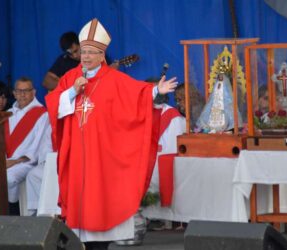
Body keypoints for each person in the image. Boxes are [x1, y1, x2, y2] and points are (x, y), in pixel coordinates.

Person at [45, 18, 178, 250]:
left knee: (100, 202)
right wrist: (72, 92)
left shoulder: (115, 79)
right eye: (83, 51)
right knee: (78, 206)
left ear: (102, 55)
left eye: (91, 52)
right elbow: (54, 103)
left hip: (102, 153)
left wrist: (157, 90)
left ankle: (101, 244)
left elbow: (135, 95)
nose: (85, 56)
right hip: (76, 152)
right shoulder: (70, 78)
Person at [145, 77, 186, 231]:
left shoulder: (174, 116)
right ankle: (147, 217)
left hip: (161, 160)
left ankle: (164, 219)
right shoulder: (140, 112)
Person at [5, 77, 50, 214]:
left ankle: (12, 213)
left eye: (26, 91)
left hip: (27, 163)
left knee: (8, 177)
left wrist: (16, 161)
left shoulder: (43, 114)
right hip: (6, 161)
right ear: (14, 93)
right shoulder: (7, 114)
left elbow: (38, 147)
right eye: (19, 91)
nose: (22, 94)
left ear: (34, 92)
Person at [25, 125, 54, 216]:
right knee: (33, 175)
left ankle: (58, 213)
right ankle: (38, 212)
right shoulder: (53, 124)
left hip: (72, 164)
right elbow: (46, 146)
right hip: (54, 161)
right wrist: (51, 159)